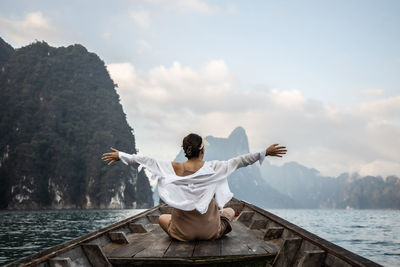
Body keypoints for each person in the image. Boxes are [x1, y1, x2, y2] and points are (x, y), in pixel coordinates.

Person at [101, 133, 286, 241]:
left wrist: (122, 155)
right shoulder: (214, 168)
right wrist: (265, 152)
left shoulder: (173, 168)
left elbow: (146, 161)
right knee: (228, 211)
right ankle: (219, 223)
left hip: (182, 233)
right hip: (210, 233)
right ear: (202, 151)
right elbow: (240, 161)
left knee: (162, 218)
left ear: (185, 151)